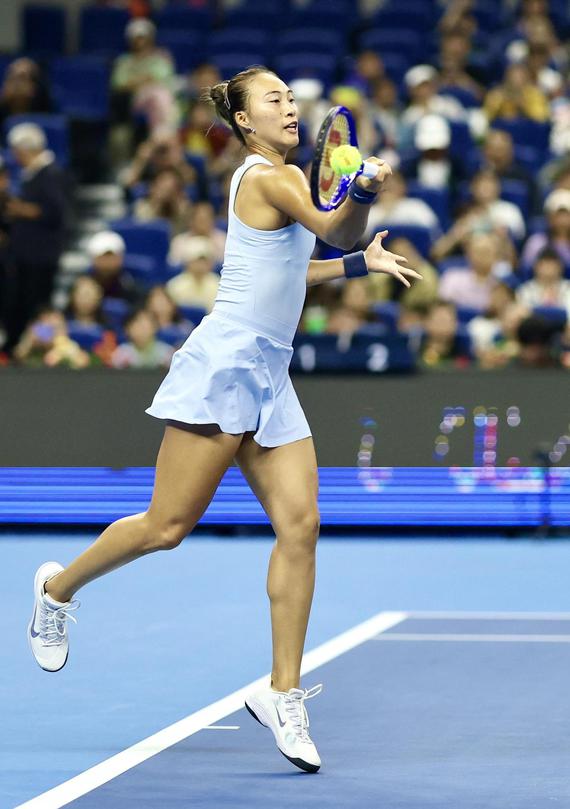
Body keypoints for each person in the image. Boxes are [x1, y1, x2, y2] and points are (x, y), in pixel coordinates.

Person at [28, 66, 420, 774]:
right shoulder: (270, 177)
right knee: (166, 528)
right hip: (224, 367)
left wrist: (359, 263)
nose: (290, 108)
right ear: (245, 121)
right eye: (274, 100)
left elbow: (298, 266)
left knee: (302, 525)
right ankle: (57, 589)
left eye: (292, 99)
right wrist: (360, 194)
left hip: (271, 373)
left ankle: (283, 691)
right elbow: (332, 224)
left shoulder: (289, 178)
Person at [3, 123, 67, 354]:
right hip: (27, 259)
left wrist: (21, 209)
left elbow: (55, 211)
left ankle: (39, 351)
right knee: (21, 305)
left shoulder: (48, 174)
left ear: (26, 150)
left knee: (38, 308)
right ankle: (16, 348)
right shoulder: (33, 174)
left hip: (41, 259)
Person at [166, 238, 219, 312]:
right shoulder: (174, 286)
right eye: (197, 261)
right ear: (188, 262)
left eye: (204, 261)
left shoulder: (219, 284)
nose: (200, 265)